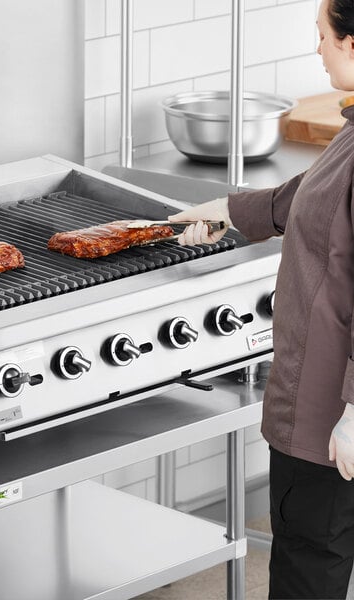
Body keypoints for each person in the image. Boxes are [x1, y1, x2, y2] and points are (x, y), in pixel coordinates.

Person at [168, 1, 354, 597]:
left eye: (323, 36)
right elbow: (320, 192)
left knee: (310, 566)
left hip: (329, 420)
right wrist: (231, 209)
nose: (318, 49)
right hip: (324, 412)